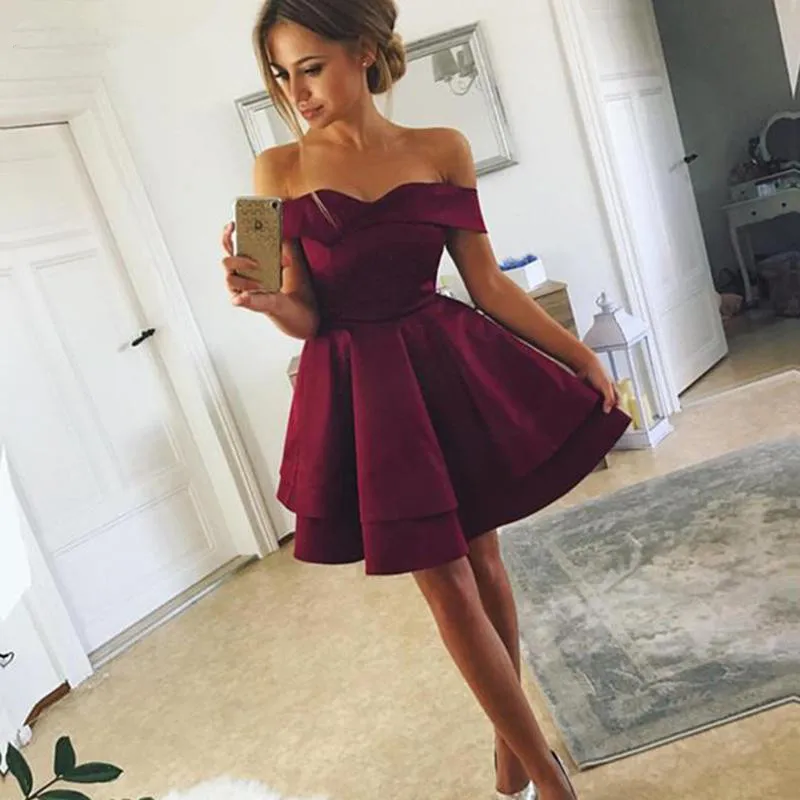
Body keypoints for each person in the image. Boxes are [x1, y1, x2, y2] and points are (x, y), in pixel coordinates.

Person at [221, 1, 630, 798]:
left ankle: (511, 757)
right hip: (364, 393)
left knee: (485, 558)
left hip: (444, 365)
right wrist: (265, 303)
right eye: (281, 74)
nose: (296, 93)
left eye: (311, 68)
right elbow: (303, 315)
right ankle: (548, 778)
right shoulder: (274, 171)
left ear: (363, 51)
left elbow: (486, 282)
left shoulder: (443, 148)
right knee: (445, 579)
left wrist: (579, 353)